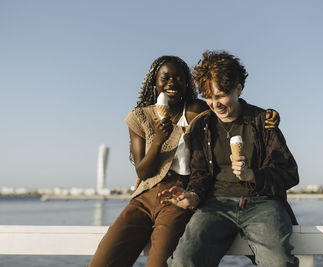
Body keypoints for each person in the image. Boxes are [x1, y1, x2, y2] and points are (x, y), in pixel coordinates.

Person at [159, 51, 299, 267]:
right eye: (209, 97)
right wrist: (193, 196)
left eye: (221, 95)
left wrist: (252, 174)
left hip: (264, 204)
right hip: (216, 205)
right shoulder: (201, 125)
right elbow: (200, 175)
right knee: (183, 261)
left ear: (239, 88)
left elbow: (289, 173)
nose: (216, 104)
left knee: (279, 262)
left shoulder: (263, 122)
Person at [88, 56, 208, 267]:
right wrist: (158, 142)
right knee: (103, 260)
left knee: (158, 263)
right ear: (155, 82)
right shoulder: (140, 116)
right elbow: (143, 171)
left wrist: (264, 117)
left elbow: (229, 109)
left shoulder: (198, 110)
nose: (172, 83)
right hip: (144, 196)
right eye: (165, 78)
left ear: (187, 83)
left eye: (179, 78)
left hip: (178, 197)